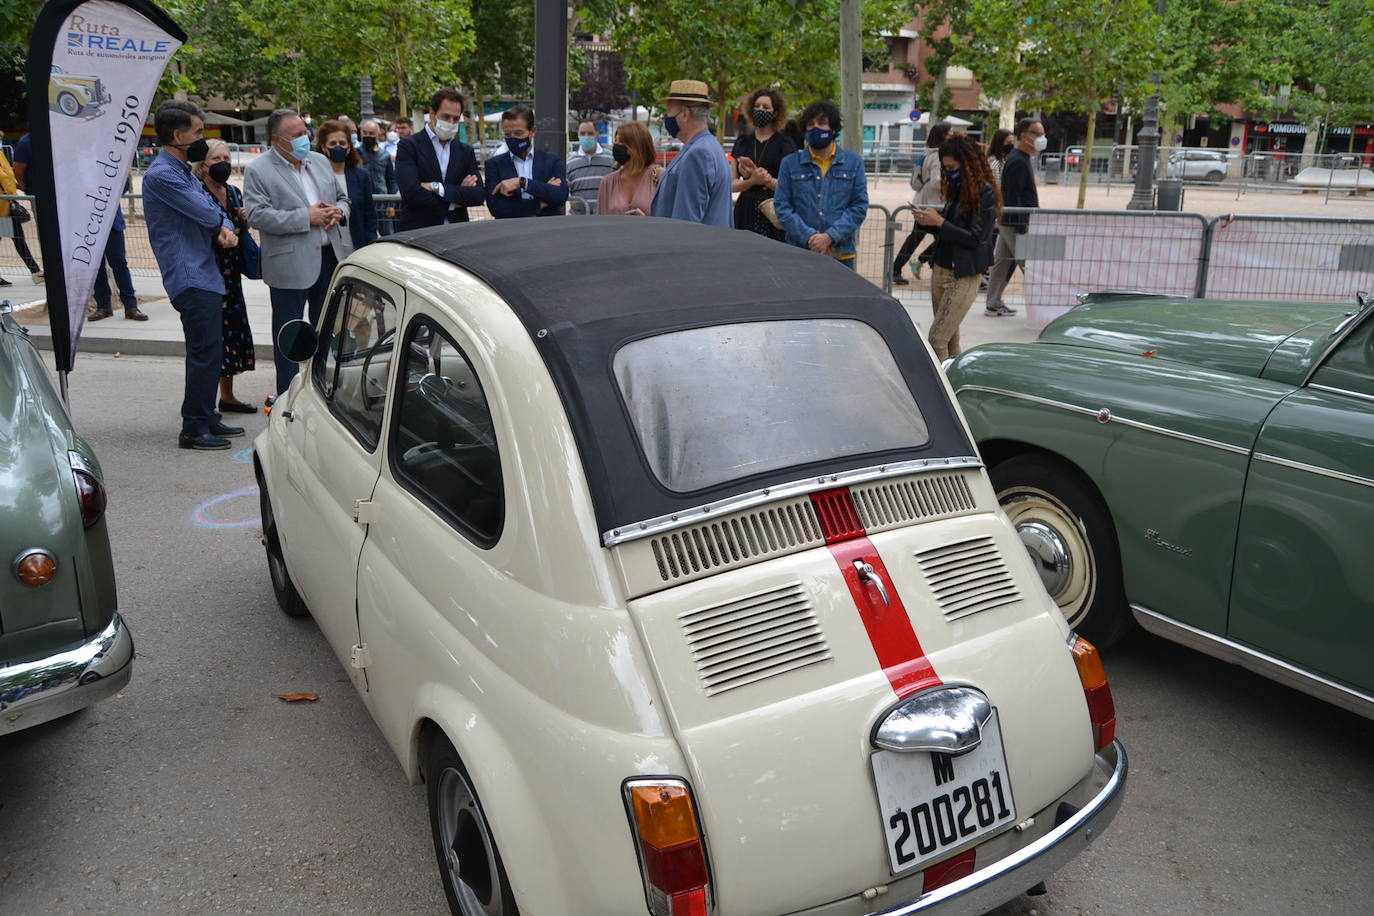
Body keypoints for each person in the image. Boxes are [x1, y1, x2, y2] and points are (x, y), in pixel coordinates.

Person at [141, 100, 244, 450]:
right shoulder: (163, 174)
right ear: (177, 135)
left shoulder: (183, 171)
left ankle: (207, 416)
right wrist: (221, 225)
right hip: (189, 274)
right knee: (204, 352)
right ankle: (194, 428)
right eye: (198, 132)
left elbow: (214, 210)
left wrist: (224, 225)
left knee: (211, 351)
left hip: (204, 272)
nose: (203, 139)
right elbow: (204, 209)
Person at [244, 108, 352, 394]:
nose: (305, 138)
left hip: (329, 259)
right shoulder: (259, 169)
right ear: (277, 140)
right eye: (297, 135)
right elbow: (257, 215)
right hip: (289, 265)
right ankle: (286, 395)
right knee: (289, 335)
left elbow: (342, 197)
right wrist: (307, 217)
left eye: (305, 132)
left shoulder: (318, 161)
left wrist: (338, 212)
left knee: (327, 330)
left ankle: (322, 390)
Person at [911, 134, 1001, 359]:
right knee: (950, 341)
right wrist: (928, 222)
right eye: (945, 167)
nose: (948, 172)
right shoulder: (958, 188)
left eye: (951, 167)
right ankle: (953, 387)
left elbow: (975, 237)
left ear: (967, 164)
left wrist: (940, 222)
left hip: (963, 274)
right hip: (941, 269)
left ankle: (941, 391)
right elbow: (950, 229)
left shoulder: (985, 192)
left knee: (936, 339)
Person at [194, 139, 257, 412]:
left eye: (226, 158)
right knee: (213, 338)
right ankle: (206, 403)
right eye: (216, 159)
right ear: (203, 164)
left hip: (232, 276)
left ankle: (228, 397)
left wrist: (244, 219)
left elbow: (241, 232)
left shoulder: (233, 192)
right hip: (209, 273)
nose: (223, 164)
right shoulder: (196, 193)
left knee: (231, 336)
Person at [773, 100, 868, 268]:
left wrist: (830, 236)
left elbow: (859, 207)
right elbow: (782, 207)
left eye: (822, 123)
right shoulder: (789, 164)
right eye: (810, 124)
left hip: (841, 255)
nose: (816, 128)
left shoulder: (854, 163)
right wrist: (811, 238)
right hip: (799, 254)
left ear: (833, 128)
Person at [395, 88, 485, 230]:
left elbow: (478, 195)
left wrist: (436, 187)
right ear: (432, 114)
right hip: (419, 231)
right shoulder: (409, 146)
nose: (451, 122)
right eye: (446, 117)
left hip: (457, 231)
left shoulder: (465, 151)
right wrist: (455, 199)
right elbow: (411, 193)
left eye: (456, 118)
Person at [650, 80, 732, 227]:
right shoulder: (711, 146)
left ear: (685, 114)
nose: (667, 118)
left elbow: (686, 224)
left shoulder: (698, 153)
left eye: (669, 112)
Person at [984, 118, 1044, 317]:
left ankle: (993, 303)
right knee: (1029, 264)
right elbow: (1013, 196)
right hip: (1015, 222)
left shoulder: (1019, 158)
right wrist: (1021, 225)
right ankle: (1044, 306)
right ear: (1025, 135)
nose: (1041, 138)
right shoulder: (1018, 160)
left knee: (1002, 262)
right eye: (1037, 134)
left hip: (1012, 221)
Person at [892, 121, 953, 285]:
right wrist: (953, 184)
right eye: (950, 133)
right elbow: (936, 181)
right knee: (945, 237)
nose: (952, 135)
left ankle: (912, 264)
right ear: (943, 136)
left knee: (935, 237)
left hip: (927, 203)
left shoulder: (928, 154)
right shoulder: (938, 156)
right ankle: (912, 264)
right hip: (933, 205)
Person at [730, 88, 797, 240]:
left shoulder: (785, 144)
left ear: (775, 113)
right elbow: (731, 184)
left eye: (766, 107)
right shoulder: (742, 142)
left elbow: (791, 187)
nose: (760, 110)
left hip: (774, 211)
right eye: (757, 106)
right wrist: (753, 181)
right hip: (745, 211)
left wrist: (766, 180)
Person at [484, 106, 568, 218]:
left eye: (518, 133)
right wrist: (542, 201)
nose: (512, 139)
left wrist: (522, 183)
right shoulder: (494, 165)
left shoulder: (551, 160)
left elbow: (560, 196)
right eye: (507, 134)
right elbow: (498, 209)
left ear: (532, 131)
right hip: (511, 232)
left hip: (547, 231)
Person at [88, 177, 144, 320]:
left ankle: (130, 306)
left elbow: (123, 184)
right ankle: (103, 306)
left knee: (119, 263)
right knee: (96, 267)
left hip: (112, 222)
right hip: (89, 224)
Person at [317, 119, 377, 250]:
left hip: (357, 248)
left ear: (349, 147)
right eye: (332, 143)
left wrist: (371, 244)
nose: (338, 147)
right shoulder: (315, 176)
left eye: (342, 143)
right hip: (327, 252)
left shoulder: (361, 176)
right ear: (323, 147)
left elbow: (369, 216)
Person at [0, 133, 43, 286]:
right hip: (2, 207)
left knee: (18, 238)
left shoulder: (0, 155)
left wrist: (14, 190)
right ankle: (35, 271)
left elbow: (9, 174)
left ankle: (35, 271)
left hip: (6, 205)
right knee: (17, 238)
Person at [596, 121, 662, 216]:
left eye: (621, 142)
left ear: (637, 146)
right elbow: (601, 221)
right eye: (615, 141)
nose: (616, 146)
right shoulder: (608, 182)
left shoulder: (659, 176)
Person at [566, 121, 615, 211]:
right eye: (582, 133)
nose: (586, 137)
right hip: (579, 218)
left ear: (597, 134)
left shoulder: (611, 159)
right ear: (578, 135)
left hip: (605, 217)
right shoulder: (570, 163)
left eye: (590, 133)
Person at [358, 119, 398, 196]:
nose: (367, 136)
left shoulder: (385, 155)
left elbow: (391, 180)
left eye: (371, 133)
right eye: (365, 133)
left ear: (377, 134)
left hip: (381, 199)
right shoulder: (355, 154)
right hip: (361, 196)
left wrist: (391, 202)